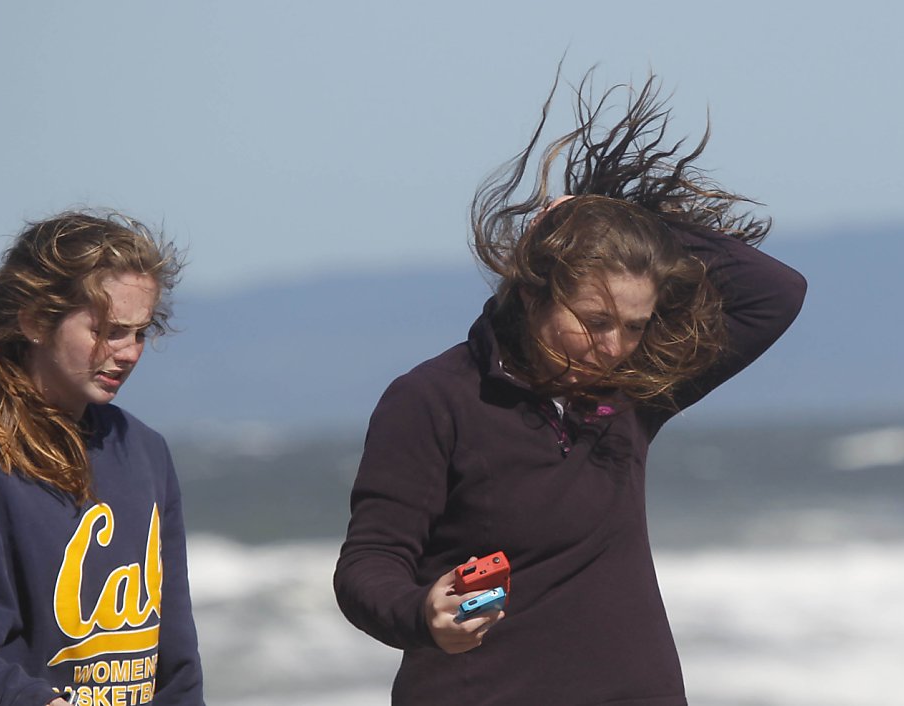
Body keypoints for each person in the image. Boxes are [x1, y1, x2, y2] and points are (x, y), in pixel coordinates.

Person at [333, 71, 807, 705]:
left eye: (634, 326)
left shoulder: (634, 395)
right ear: (534, 292)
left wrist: (615, 216)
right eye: (595, 321)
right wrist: (422, 614)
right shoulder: (435, 398)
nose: (614, 346)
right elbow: (368, 564)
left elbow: (773, 292)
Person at [0, 212, 205, 705]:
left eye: (139, 333)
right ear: (35, 321)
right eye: (108, 330)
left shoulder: (143, 450)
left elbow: (174, 660)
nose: (128, 352)